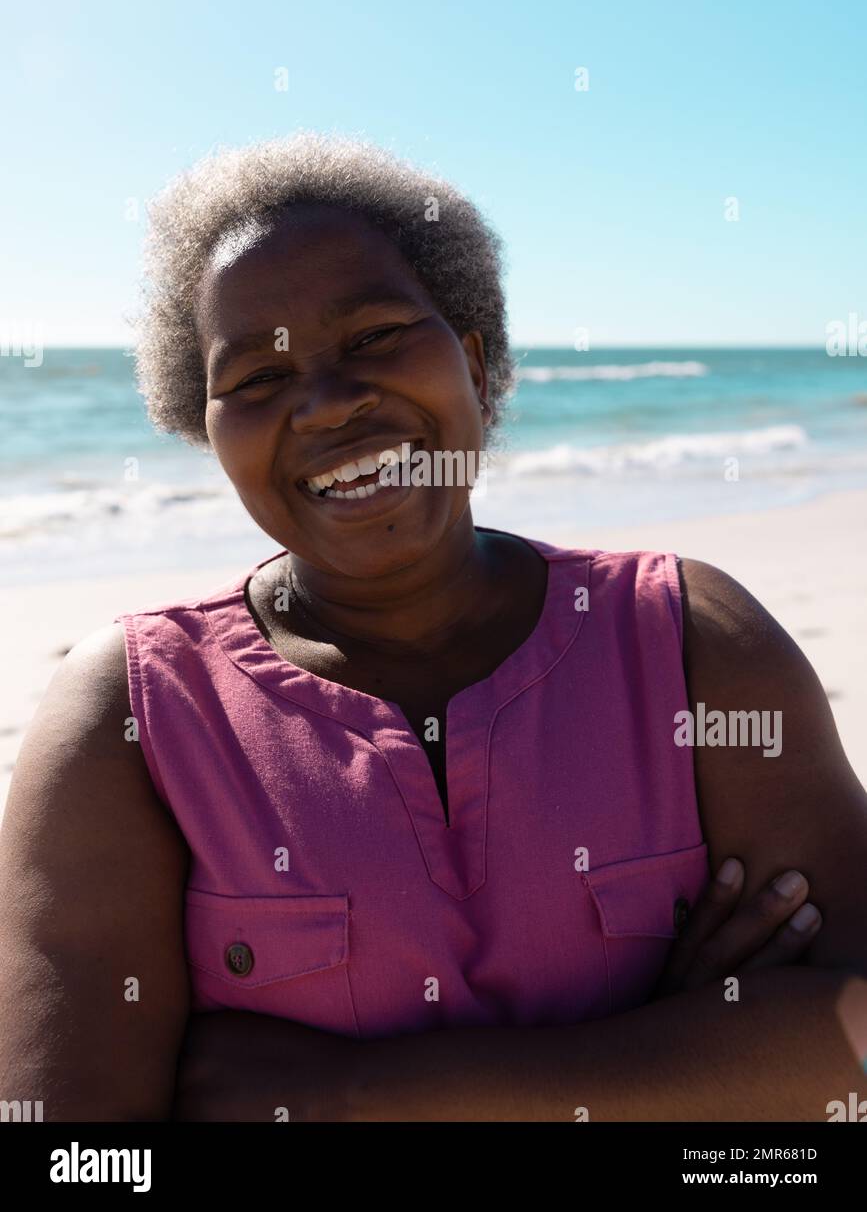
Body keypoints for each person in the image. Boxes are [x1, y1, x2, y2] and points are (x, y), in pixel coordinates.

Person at [1, 133, 865, 1122]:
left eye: (373, 337)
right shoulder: (134, 717)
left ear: (479, 360)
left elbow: (851, 1062)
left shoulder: (693, 644)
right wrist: (684, 1064)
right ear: (211, 432)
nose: (327, 405)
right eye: (254, 381)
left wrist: (353, 1096)